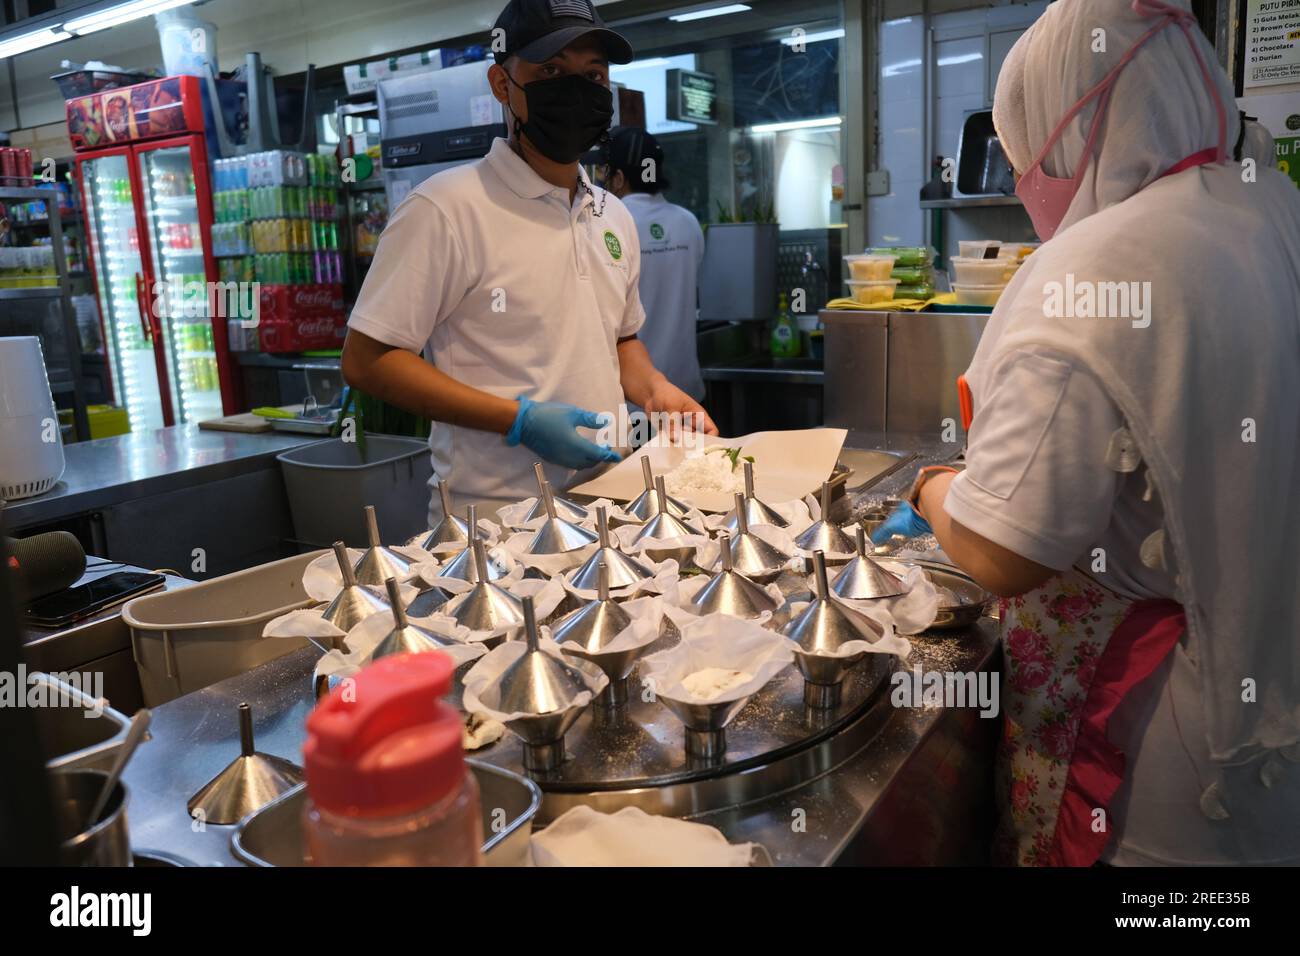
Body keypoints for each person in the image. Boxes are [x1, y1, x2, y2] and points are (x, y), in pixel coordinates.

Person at [874, 0, 1300, 865]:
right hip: (1273, 719)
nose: (1030, 173)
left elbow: (1004, 552)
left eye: (1026, 144)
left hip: (1166, 763)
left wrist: (927, 486)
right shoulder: (1272, 209)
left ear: (1070, 118)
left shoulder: (1095, 263)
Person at [341, 0, 715, 526]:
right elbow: (366, 360)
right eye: (551, 71)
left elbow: (621, 340)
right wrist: (519, 420)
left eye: (592, 74)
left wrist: (656, 390)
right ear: (502, 84)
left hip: (611, 506)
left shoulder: (613, 216)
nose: (576, 89)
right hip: (493, 527)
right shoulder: (445, 208)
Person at [601, 126, 706, 401]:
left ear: (619, 178)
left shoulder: (610, 224)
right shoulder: (688, 222)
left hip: (637, 396)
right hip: (687, 392)